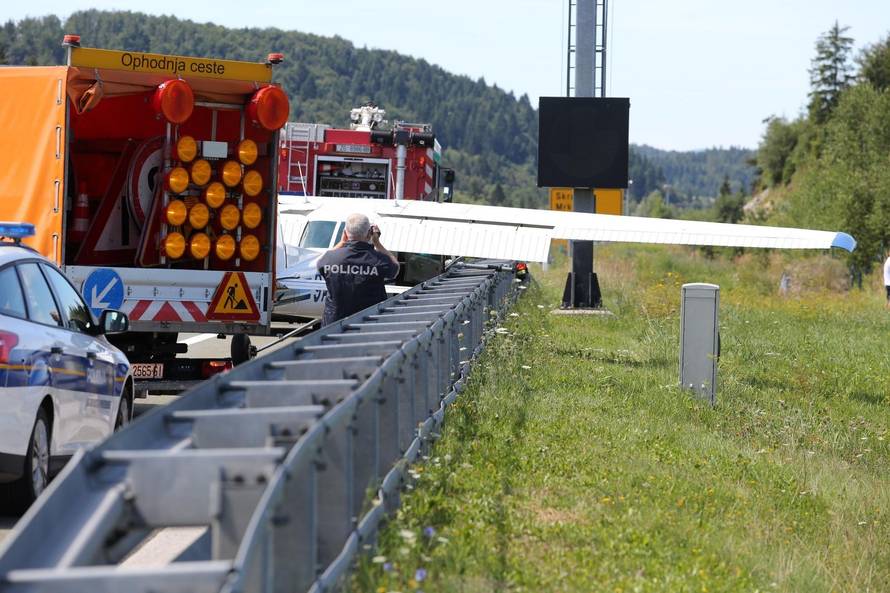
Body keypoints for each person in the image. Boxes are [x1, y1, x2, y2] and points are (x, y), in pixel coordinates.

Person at [317, 213, 400, 325]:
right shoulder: (379, 260)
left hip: (334, 325)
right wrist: (377, 243)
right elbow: (396, 268)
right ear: (369, 233)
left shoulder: (330, 258)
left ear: (345, 233)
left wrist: (342, 242)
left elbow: (319, 262)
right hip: (368, 324)